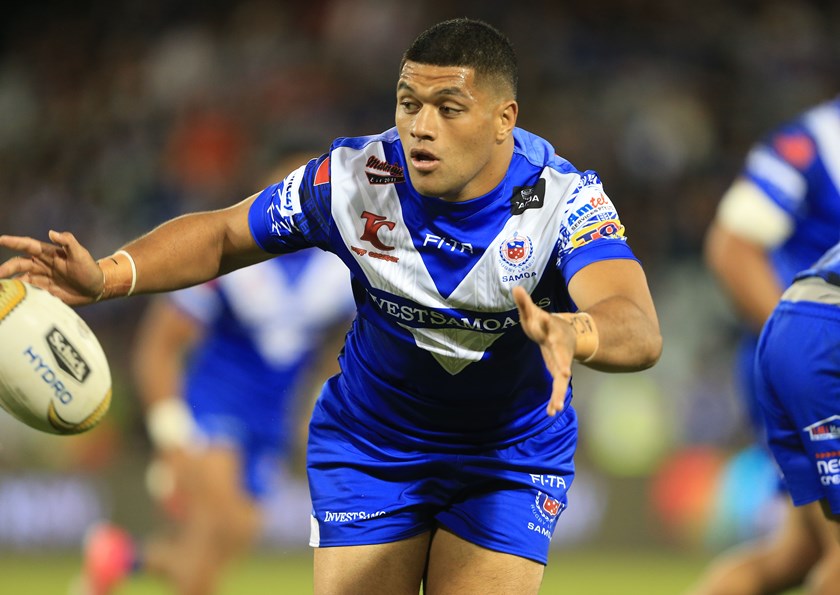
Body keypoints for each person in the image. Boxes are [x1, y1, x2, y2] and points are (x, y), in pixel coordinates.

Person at [0, 18, 662, 594]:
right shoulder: (352, 181)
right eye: (408, 103)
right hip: (373, 446)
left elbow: (634, 320)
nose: (420, 127)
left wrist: (577, 329)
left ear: (503, 120)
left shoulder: (564, 201)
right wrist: (109, 274)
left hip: (508, 453)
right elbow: (226, 234)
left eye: (448, 108)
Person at [689, 96, 840, 594]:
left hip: (805, 354)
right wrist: (801, 346)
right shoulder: (812, 143)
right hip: (821, 359)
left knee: (795, 555)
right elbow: (732, 247)